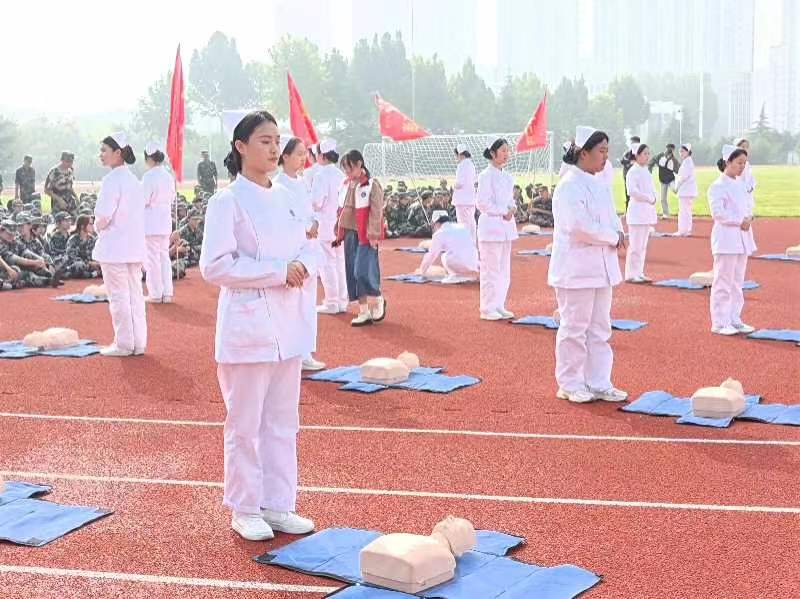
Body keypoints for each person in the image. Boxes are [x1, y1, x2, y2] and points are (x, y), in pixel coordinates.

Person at [200, 110, 317, 541]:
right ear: (241, 146)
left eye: (276, 141)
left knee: (283, 422)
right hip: (248, 327)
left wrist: (303, 265)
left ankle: (279, 503)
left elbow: (310, 244)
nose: (273, 149)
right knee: (245, 424)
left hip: (288, 323)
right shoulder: (227, 201)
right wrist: (276, 271)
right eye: (264, 141)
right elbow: (214, 266)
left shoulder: (287, 196)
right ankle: (245, 507)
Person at [548, 126, 627, 404]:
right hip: (577, 269)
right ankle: (570, 383)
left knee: (600, 329)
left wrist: (620, 233)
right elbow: (579, 226)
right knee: (574, 328)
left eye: (607, 151)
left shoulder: (599, 184)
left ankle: (599, 381)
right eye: (601, 151)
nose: (606, 157)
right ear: (584, 153)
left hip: (601, 268)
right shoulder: (569, 185)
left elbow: (612, 218)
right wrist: (612, 237)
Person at [92, 132, 147, 357]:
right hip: (133, 246)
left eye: (104, 150)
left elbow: (103, 216)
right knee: (135, 296)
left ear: (118, 153)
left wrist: (97, 227)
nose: (101, 154)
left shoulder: (112, 180)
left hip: (115, 247)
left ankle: (124, 343)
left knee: (118, 297)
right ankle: (138, 343)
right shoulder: (134, 180)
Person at [275, 136, 326, 372]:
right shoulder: (278, 185)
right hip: (292, 251)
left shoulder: (302, 181)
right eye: (298, 154)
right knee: (291, 305)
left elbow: (310, 211)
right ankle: (292, 352)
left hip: (309, 250)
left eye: (305, 153)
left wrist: (314, 222)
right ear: (284, 156)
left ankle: (305, 352)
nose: (304, 158)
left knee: (307, 305)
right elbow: (285, 218)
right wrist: (306, 227)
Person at [708, 145, 756, 336]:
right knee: (723, 282)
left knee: (737, 282)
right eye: (739, 162)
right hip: (726, 239)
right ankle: (720, 322)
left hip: (742, 239)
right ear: (727, 162)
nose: (742, 166)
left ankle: (734, 318)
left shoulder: (740, 184)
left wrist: (749, 218)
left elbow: (747, 207)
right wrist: (740, 221)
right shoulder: (717, 186)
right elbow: (718, 213)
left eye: (744, 163)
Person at [336, 149, 386, 327]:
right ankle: (363, 311)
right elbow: (342, 209)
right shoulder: (347, 185)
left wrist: (373, 234)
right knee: (352, 273)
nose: (347, 172)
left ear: (359, 164)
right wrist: (339, 230)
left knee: (362, 271)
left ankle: (378, 299)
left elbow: (376, 211)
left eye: (349, 168)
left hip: (366, 235)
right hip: (350, 232)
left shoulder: (372, 184)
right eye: (345, 169)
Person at [476, 138, 518, 321]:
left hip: (506, 228)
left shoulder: (508, 177)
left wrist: (512, 208)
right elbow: (482, 203)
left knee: (503, 270)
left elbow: (510, 199)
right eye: (503, 150)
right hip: (491, 227)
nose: (506, 154)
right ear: (492, 153)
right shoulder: (485, 176)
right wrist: (503, 211)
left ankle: (499, 304)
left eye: (508, 150)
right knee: (490, 270)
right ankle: (487, 308)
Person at [311, 139, 348, 315]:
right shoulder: (341, 175)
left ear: (322, 156)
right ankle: (341, 301)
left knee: (327, 264)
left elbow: (316, 202)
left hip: (326, 225)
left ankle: (332, 302)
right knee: (340, 263)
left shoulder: (321, 176)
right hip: (340, 224)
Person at [142, 142, 175, 304]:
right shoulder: (168, 176)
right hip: (164, 221)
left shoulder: (148, 177)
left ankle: (155, 293)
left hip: (151, 222)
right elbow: (172, 198)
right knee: (164, 257)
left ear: (149, 158)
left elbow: (143, 199)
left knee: (152, 259)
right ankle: (167, 293)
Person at [624, 142, 657, 283]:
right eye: (644, 154)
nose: (647, 156)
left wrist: (654, 197)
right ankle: (631, 274)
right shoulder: (633, 172)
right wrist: (649, 198)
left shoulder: (646, 171)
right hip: (637, 213)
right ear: (636, 155)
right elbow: (632, 191)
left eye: (648, 153)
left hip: (645, 212)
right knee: (635, 246)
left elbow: (651, 189)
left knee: (642, 246)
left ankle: (639, 272)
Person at [417, 211, 478, 283]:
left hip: (461, 263)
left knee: (444, 256)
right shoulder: (462, 227)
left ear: (437, 223)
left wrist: (422, 271)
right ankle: (466, 274)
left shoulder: (439, 233)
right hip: (474, 262)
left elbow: (431, 255)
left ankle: (456, 275)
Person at [452, 145, 477, 243]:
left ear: (460, 154)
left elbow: (459, 183)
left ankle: (464, 242)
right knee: (471, 221)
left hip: (462, 200)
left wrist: (453, 185)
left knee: (463, 222)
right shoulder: (471, 165)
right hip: (470, 199)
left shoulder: (461, 165)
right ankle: (472, 241)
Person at [65, 214, 101, 278]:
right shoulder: (73, 239)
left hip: (92, 265)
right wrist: (89, 263)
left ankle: (92, 274)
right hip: (81, 264)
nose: (93, 226)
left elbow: (97, 254)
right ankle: (93, 274)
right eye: (90, 224)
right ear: (82, 226)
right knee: (78, 266)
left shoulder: (92, 239)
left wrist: (97, 262)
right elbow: (72, 257)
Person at [674, 143, 697, 236]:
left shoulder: (687, 162)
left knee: (684, 211)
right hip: (687, 191)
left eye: (683, 151)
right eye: (680, 151)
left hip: (685, 191)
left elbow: (682, 177)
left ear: (688, 152)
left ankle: (683, 231)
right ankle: (686, 230)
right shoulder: (687, 161)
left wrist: (676, 187)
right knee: (686, 211)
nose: (681, 153)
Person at [649, 143, 678, 217]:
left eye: (671, 149)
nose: (669, 150)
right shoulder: (660, 156)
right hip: (663, 180)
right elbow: (652, 161)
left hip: (670, 180)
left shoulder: (674, 160)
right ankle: (666, 213)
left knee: (675, 190)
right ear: (666, 148)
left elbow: (678, 169)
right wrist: (649, 169)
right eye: (668, 148)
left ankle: (684, 192)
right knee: (662, 199)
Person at [734, 137, 756, 214]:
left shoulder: (747, 164)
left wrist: (752, 187)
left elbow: (751, 179)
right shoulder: (733, 163)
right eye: (743, 147)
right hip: (738, 195)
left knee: (748, 215)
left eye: (747, 147)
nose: (745, 149)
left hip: (747, 195)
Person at [619, 135, 640, 209]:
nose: (632, 144)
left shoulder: (640, 153)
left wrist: (631, 162)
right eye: (631, 143)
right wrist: (630, 162)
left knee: (637, 194)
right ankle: (628, 210)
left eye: (633, 142)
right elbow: (622, 161)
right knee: (628, 193)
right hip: (627, 176)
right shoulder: (627, 153)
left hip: (637, 177)